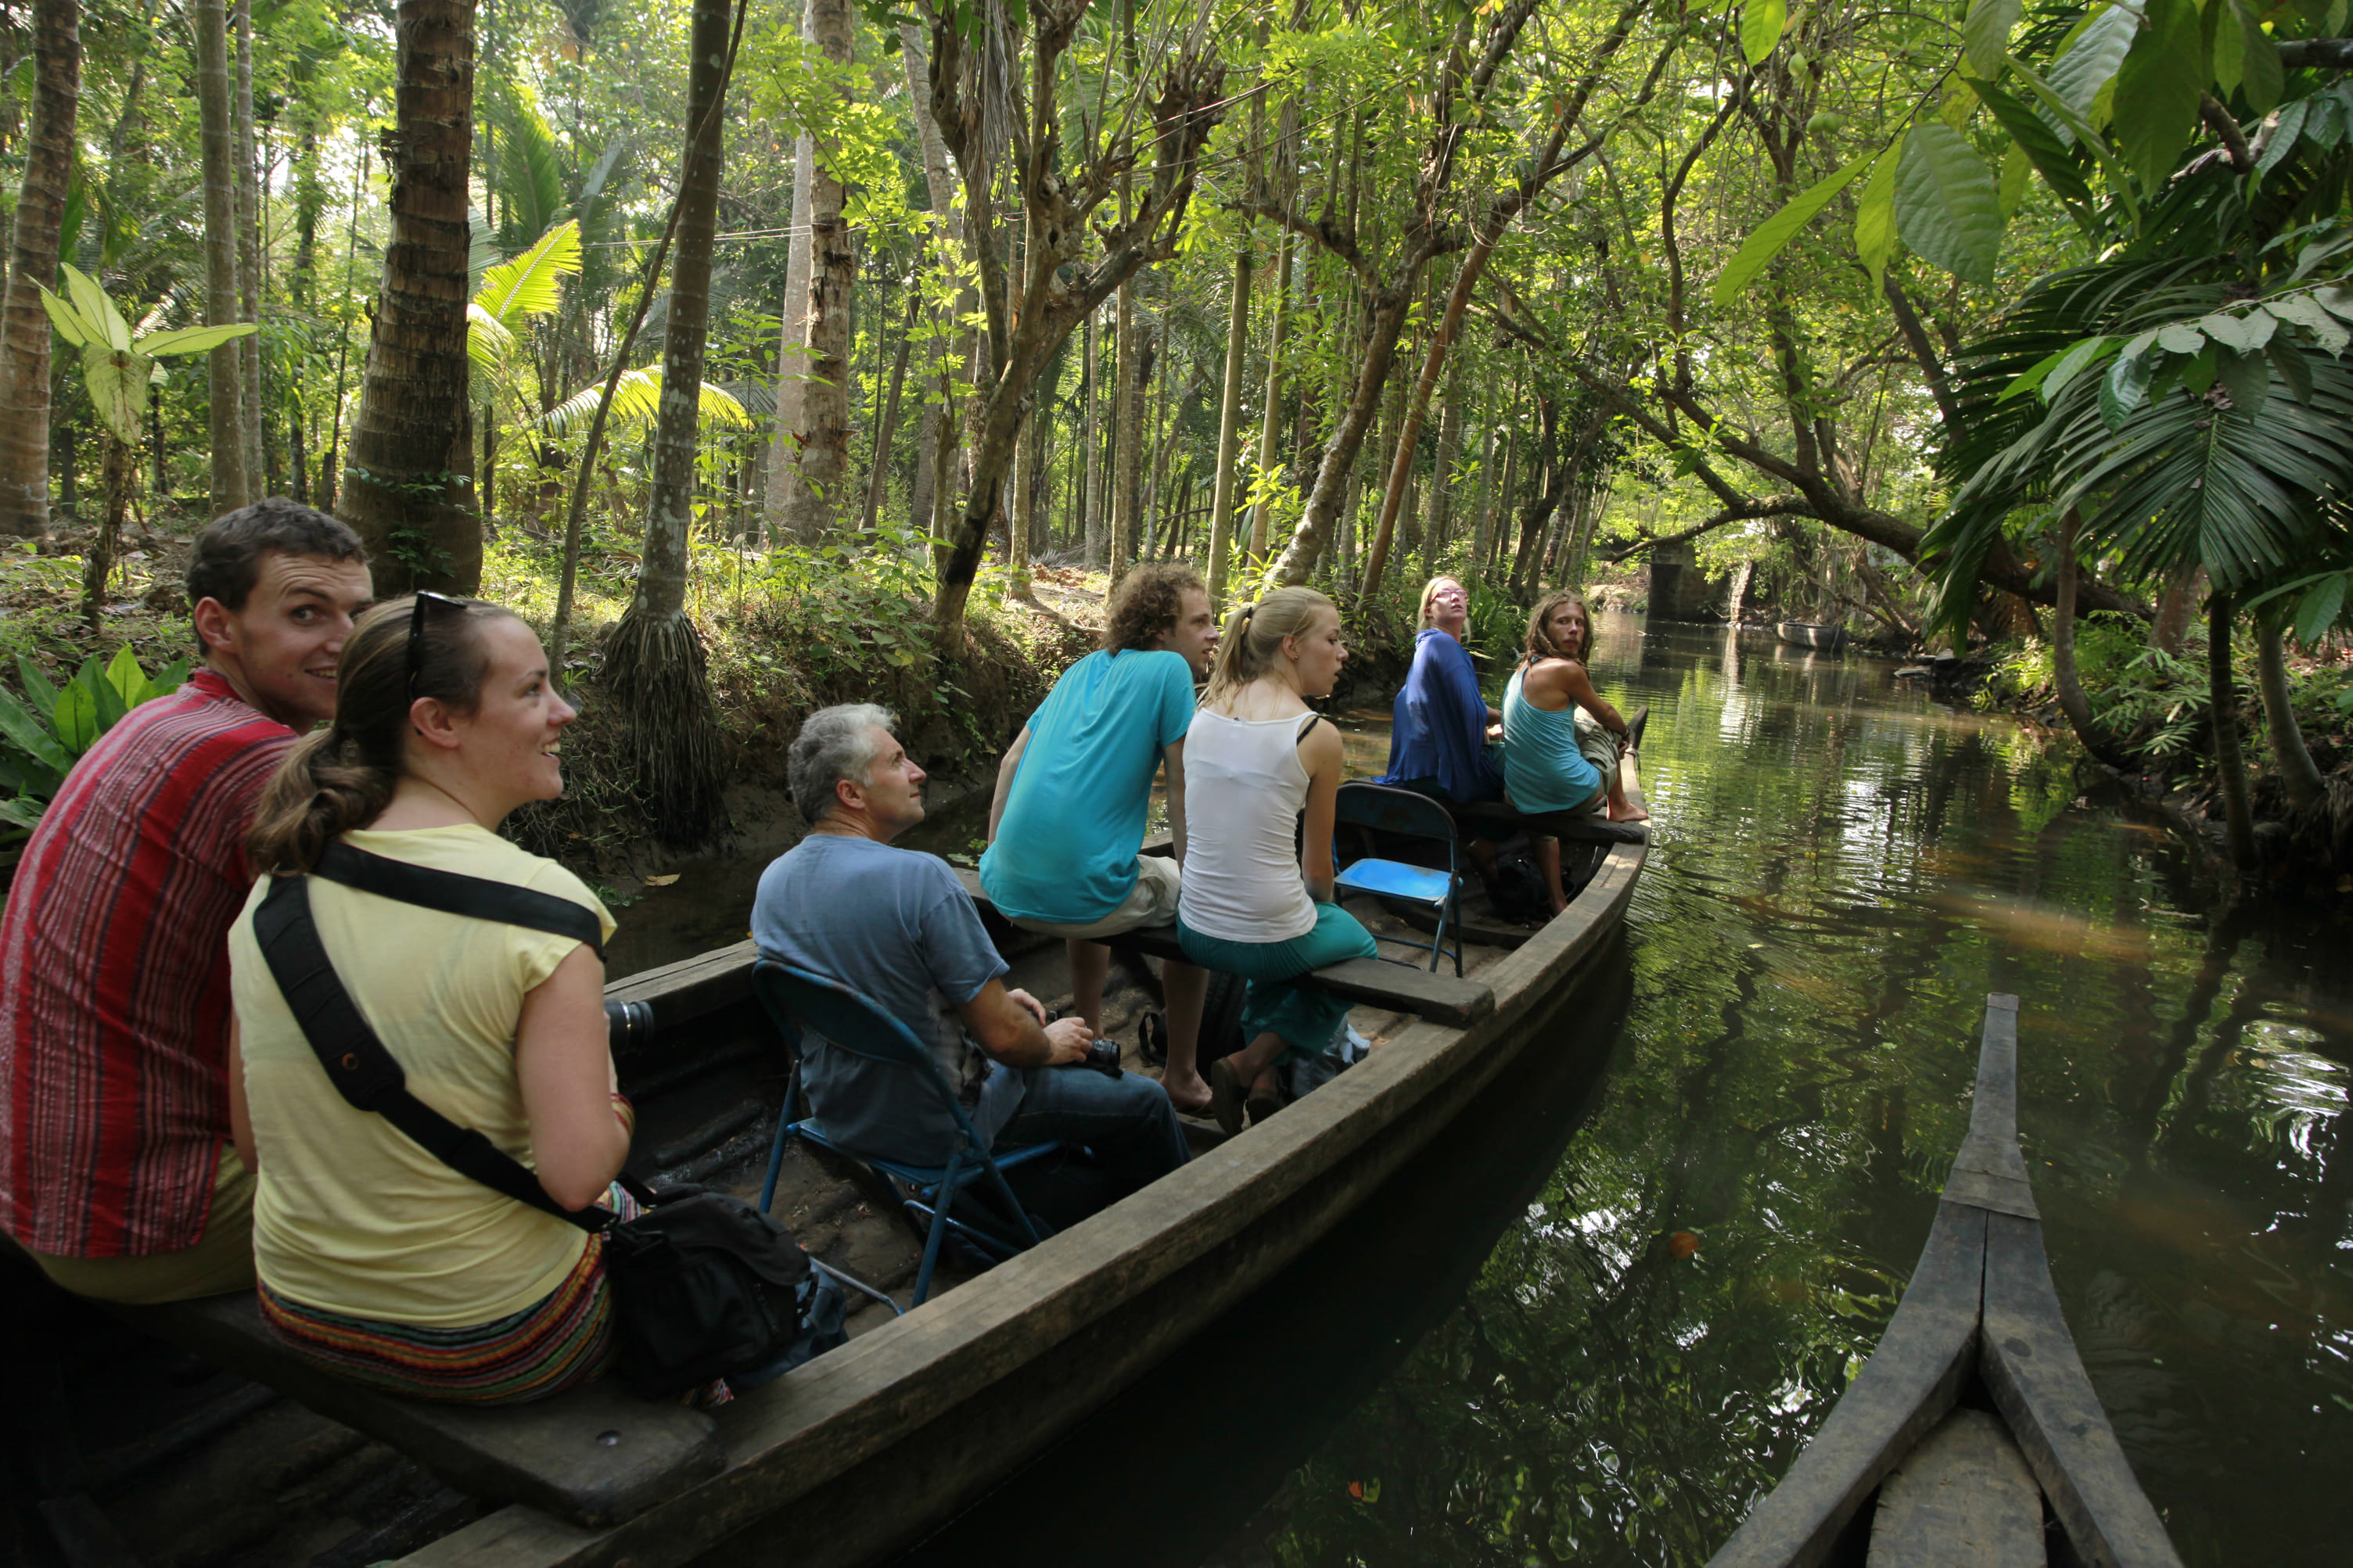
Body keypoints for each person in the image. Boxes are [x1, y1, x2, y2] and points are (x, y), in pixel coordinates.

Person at [225, 594, 634, 1404]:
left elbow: (253, 1149)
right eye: (531, 690)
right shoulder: (547, 909)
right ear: (437, 722)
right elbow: (575, 1174)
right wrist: (616, 1102)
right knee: (676, 1242)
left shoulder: (277, 889)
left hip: (300, 1312)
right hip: (493, 1339)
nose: (565, 711)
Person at [0, 499, 372, 1304]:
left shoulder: (162, 718)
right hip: (140, 1218)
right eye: (307, 613)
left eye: (356, 612)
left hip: (42, 1183)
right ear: (218, 624)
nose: (343, 639)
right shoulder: (266, 766)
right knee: (498, 1175)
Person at [756, 705, 1188, 1210]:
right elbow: (1006, 1040)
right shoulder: (920, 878)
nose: (918, 771)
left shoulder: (774, 882)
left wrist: (990, 1006)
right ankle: (1180, 1234)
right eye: (897, 762)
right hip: (942, 1121)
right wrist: (1044, 1044)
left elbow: (879, 993)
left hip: (842, 1112)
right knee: (1146, 1102)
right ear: (850, 794)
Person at [981, 562, 1220, 1114]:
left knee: (1099, 863)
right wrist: (1198, 882)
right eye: (1201, 621)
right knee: (1194, 906)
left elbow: (1010, 760)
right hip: (1080, 894)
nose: (1213, 632)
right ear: (1162, 630)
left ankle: (1085, 1028)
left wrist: (994, 854)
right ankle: (1181, 1070)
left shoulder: (1082, 668)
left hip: (1007, 888)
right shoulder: (1169, 672)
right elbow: (1183, 789)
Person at [1175, 587, 1380, 1137]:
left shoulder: (1203, 713)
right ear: (1291, 646)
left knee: (1284, 927)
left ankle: (1264, 1082)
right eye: (1332, 639)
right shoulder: (1318, 735)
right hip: (1266, 939)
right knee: (1358, 947)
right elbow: (1317, 874)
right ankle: (1251, 1060)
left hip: (1193, 928)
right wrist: (1319, 915)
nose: (1342, 654)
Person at [1501, 590, 1647, 915]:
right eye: (1563, 621)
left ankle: (1558, 901)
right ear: (1545, 627)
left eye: (1579, 623)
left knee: (1543, 822)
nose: (1574, 629)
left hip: (1520, 796)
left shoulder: (1522, 668)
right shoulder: (1567, 671)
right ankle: (1619, 805)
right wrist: (1623, 732)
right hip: (1574, 793)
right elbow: (1606, 713)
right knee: (1603, 730)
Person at [1374, 575, 1503, 806]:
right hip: (1441, 776)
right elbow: (1473, 711)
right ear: (1428, 611)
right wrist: (1506, 718)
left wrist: (1487, 731)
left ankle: (1489, 842)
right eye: (1444, 594)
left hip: (1414, 773)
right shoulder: (1443, 644)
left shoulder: (1425, 647)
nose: (1455, 597)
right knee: (1538, 767)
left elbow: (1445, 713)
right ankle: (1496, 841)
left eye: (1461, 593)